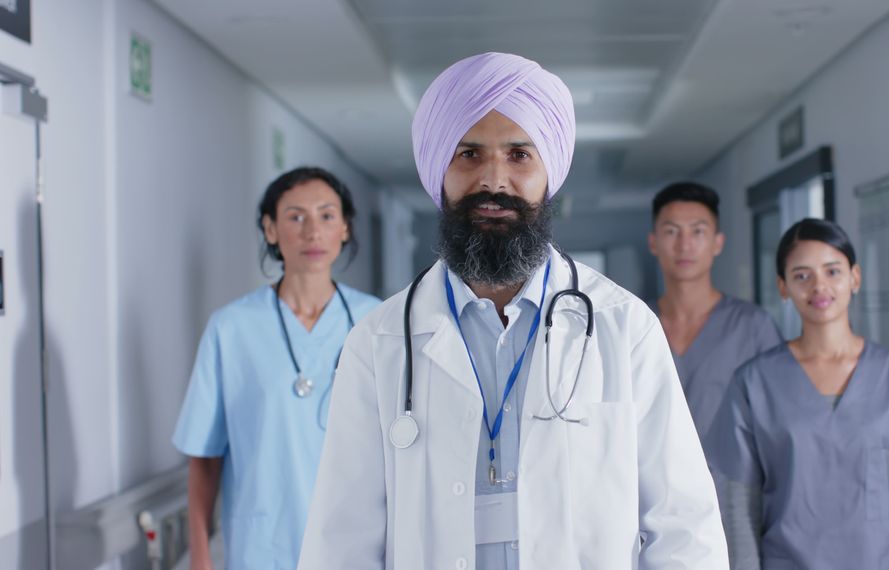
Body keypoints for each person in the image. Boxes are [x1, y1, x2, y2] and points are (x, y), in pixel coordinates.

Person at [299, 52, 727, 569]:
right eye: (470, 154)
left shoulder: (623, 327)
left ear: (550, 173)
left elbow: (683, 528)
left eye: (519, 155)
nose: (494, 181)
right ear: (439, 171)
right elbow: (341, 540)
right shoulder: (379, 342)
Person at [711, 218, 889, 570]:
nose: (819, 286)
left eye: (832, 271)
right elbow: (740, 512)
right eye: (802, 275)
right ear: (783, 287)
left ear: (854, 277)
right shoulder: (753, 384)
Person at [172, 167, 381, 569]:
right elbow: (205, 459)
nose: (312, 231)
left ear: (344, 229)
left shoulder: (376, 323)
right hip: (261, 549)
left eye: (326, 215)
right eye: (295, 216)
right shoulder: (231, 329)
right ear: (270, 229)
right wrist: (200, 555)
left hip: (356, 547)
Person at [647, 182, 782, 496]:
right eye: (671, 231)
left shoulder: (752, 327)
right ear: (653, 242)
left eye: (697, 232)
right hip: (652, 500)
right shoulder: (637, 324)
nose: (684, 245)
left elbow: (778, 424)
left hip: (733, 502)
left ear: (717, 243)